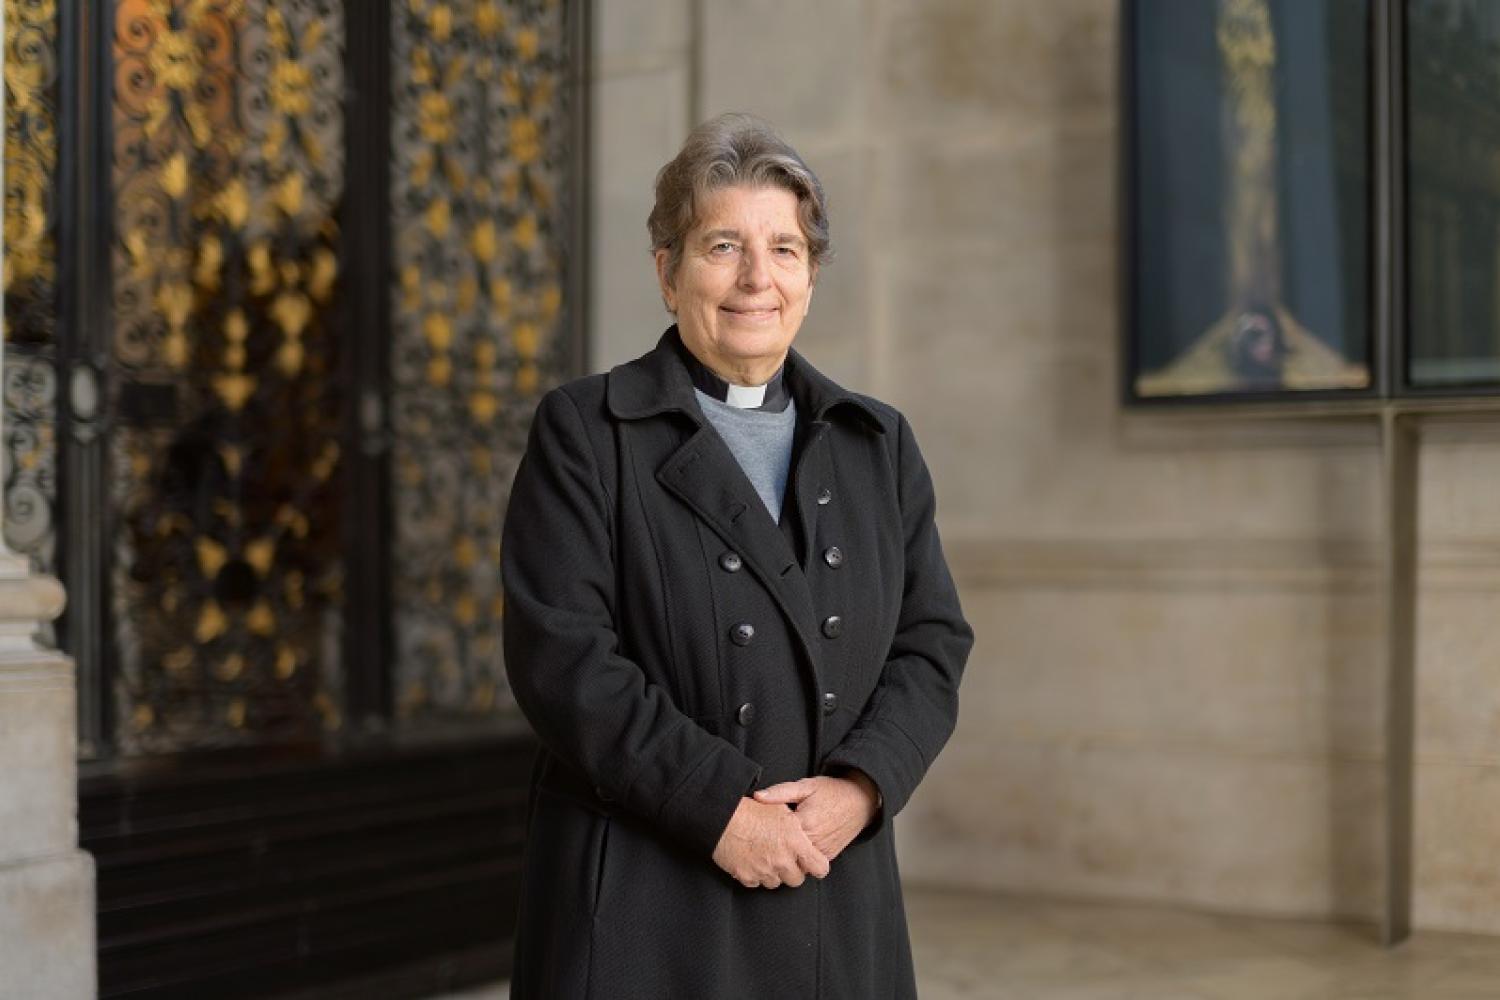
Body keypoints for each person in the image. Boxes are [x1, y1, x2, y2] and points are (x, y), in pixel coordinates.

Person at [501, 112, 973, 999]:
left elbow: (932, 641)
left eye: (785, 248)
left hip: (835, 885)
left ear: (812, 274)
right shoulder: (586, 432)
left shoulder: (879, 443)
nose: (758, 278)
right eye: (723, 245)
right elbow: (563, 658)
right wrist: (718, 808)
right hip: (650, 892)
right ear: (667, 269)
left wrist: (864, 789)